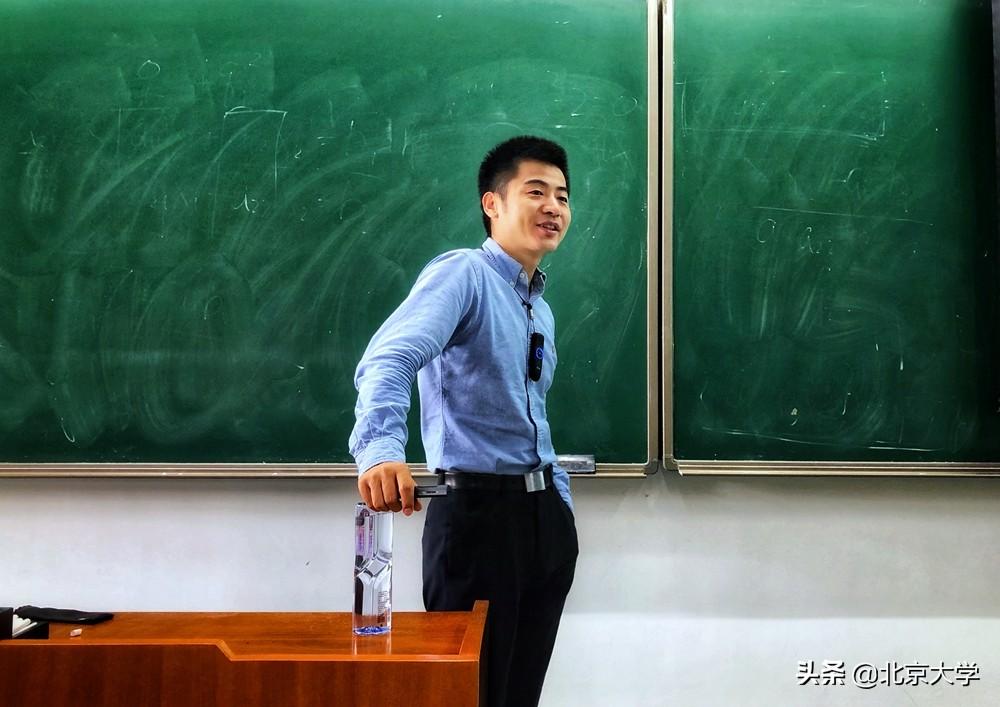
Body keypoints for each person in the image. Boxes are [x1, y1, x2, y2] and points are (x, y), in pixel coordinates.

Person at [350, 135, 579, 707]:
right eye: (536, 191)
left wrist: (558, 506)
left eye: (562, 195)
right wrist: (380, 450)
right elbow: (389, 358)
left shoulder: (538, 307)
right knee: (472, 695)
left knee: (520, 694)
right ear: (492, 203)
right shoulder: (464, 275)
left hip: (541, 521)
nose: (553, 207)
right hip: (478, 521)